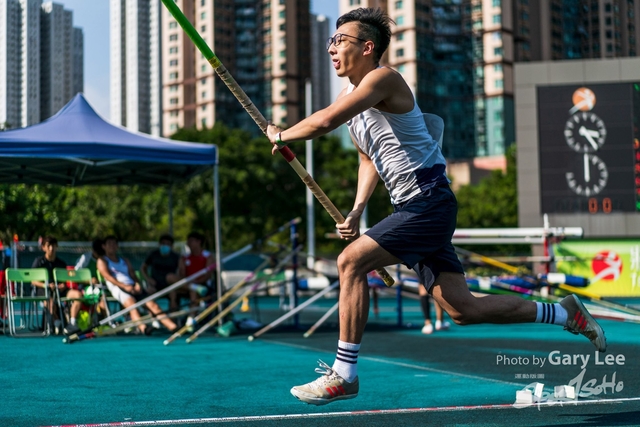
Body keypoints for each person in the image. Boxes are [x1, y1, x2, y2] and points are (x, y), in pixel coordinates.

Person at [266, 8, 606, 406]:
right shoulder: (352, 100)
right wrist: (358, 210)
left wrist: (281, 133)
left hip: (428, 202)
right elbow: (369, 160)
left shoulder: (383, 78)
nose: (333, 48)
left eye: (341, 40)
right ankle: (566, 314)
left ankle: (345, 374)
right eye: (331, 40)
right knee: (462, 309)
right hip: (409, 207)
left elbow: (323, 123)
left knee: (349, 262)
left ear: (368, 47)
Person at [97, 235, 177, 335]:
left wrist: (137, 284)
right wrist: (124, 286)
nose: (112, 246)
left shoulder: (125, 260)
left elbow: (132, 274)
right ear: (104, 246)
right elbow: (108, 277)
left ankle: (173, 327)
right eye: (109, 244)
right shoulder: (102, 261)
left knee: (153, 305)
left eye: (114, 244)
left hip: (133, 287)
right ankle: (143, 328)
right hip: (118, 288)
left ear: (117, 246)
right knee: (132, 305)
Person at [30, 236, 80, 335]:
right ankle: (57, 323)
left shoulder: (61, 263)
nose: (51, 248)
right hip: (43, 289)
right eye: (48, 246)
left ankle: (72, 324)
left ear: (57, 247)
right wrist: (46, 285)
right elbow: (33, 281)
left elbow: (65, 281)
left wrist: (63, 285)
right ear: (43, 247)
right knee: (50, 302)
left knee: (78, 295)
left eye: (53, 246)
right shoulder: (39, 262)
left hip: (60, 291)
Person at [174, 231, 216, 328]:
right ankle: (173, 322)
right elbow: (182, 275)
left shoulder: (208, 256)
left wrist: (196, 282)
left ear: (199, 242)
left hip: (203, 286)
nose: (189, 243)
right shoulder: (184, 257)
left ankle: (191, 318)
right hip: (187, 284)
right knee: (172, 286)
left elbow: (208, 275)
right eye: (188, 241)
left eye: (191, 241)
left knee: (194, 290)